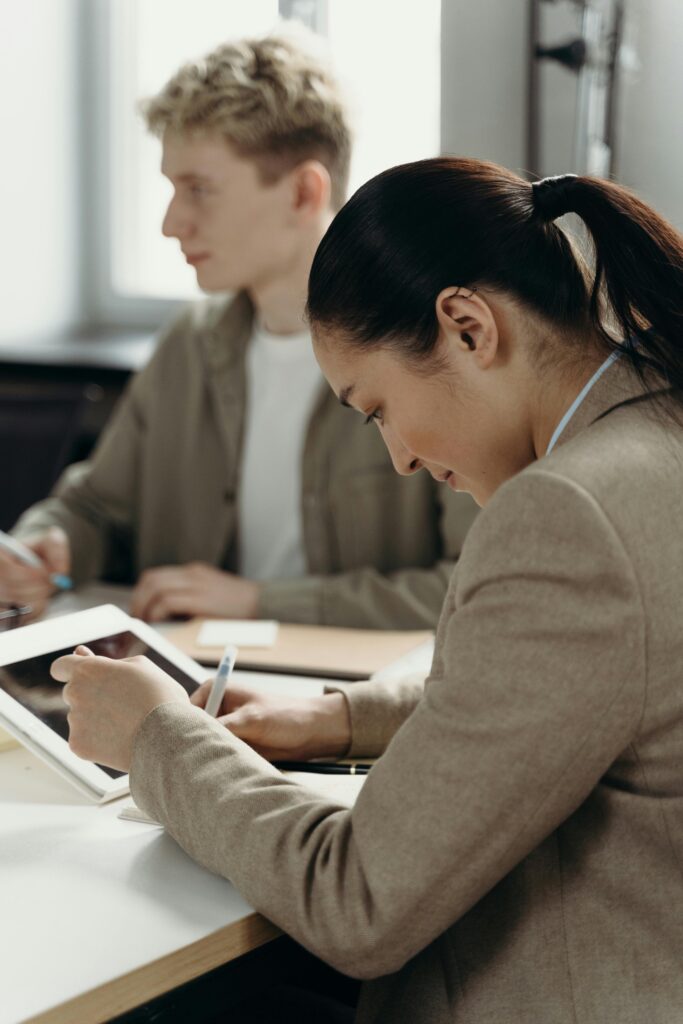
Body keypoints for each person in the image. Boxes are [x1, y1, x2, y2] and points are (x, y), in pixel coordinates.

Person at [53, 156, 683, 1023]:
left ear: (467, 326)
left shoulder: (567, 513)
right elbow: (591, 684)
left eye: (377, 408)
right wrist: (340, 715)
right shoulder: (660, 423)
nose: (399, 460)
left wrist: (157, 737)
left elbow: (358, 901)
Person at [2, 30, 476, 627]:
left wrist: (259, 604)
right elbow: (95, 507)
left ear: (305, 193)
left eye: (199, 189)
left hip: (347, 701)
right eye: (172, 189)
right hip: (187, 686)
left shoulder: (425, 350)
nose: (172, 223)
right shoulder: (188, 344)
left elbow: (474, 586)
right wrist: (47, 544)